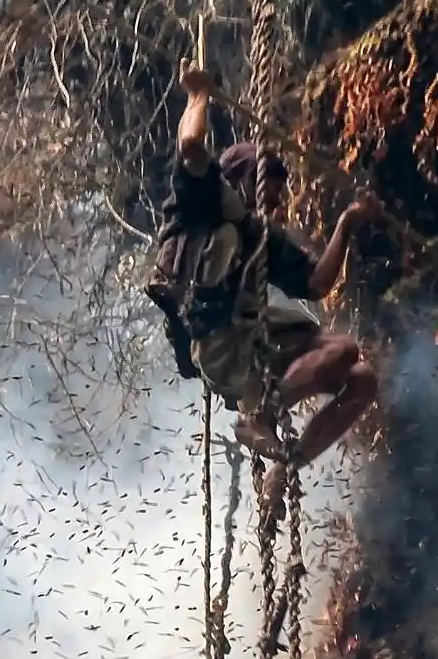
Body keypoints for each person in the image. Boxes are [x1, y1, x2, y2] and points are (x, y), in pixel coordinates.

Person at [148, 65, 382, 504]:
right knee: (342, 350)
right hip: (219, 347)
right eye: (268, 196)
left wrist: (348, 224)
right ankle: (261, 417)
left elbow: (316, 284)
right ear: (242, 178)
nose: (273, 207)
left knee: (362, 378)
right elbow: (192, 145)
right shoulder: (202, 199)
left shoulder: (261, 236)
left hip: (256, 342)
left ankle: (285, 464)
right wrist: (198, 95)